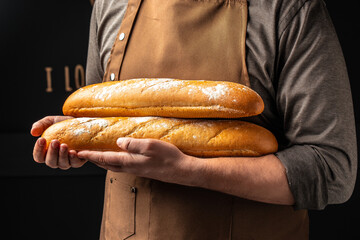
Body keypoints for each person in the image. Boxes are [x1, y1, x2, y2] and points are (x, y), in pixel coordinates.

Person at [31, 0, 357, 239]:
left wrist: (189, 170)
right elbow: (107, 119)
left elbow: (330, 168)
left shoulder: (286, 10)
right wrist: (77, 139)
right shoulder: (110, 4)